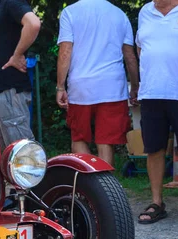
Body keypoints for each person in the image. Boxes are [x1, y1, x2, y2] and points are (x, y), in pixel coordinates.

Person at [55, 0, 139, 168]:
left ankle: (86, 187)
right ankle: (105, 190)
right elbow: (129, 56)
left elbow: (65, 52)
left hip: (81, 86)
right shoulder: (119, 15)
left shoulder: (70, 12)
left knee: (79, 138)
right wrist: (135, 87)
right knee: (106, 141)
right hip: (112, 87)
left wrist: (60, 86)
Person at [135, 0, 178, 224]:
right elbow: (140, 48)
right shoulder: (145, 11)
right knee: (154, 148)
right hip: (152, 92)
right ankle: (157, 203)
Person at [0, 0, 40, 149]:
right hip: (2, 93)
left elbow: (33, 24)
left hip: (9, 92)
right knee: (8, 155)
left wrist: (17, 54)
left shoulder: (11, 1)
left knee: (23, 153)